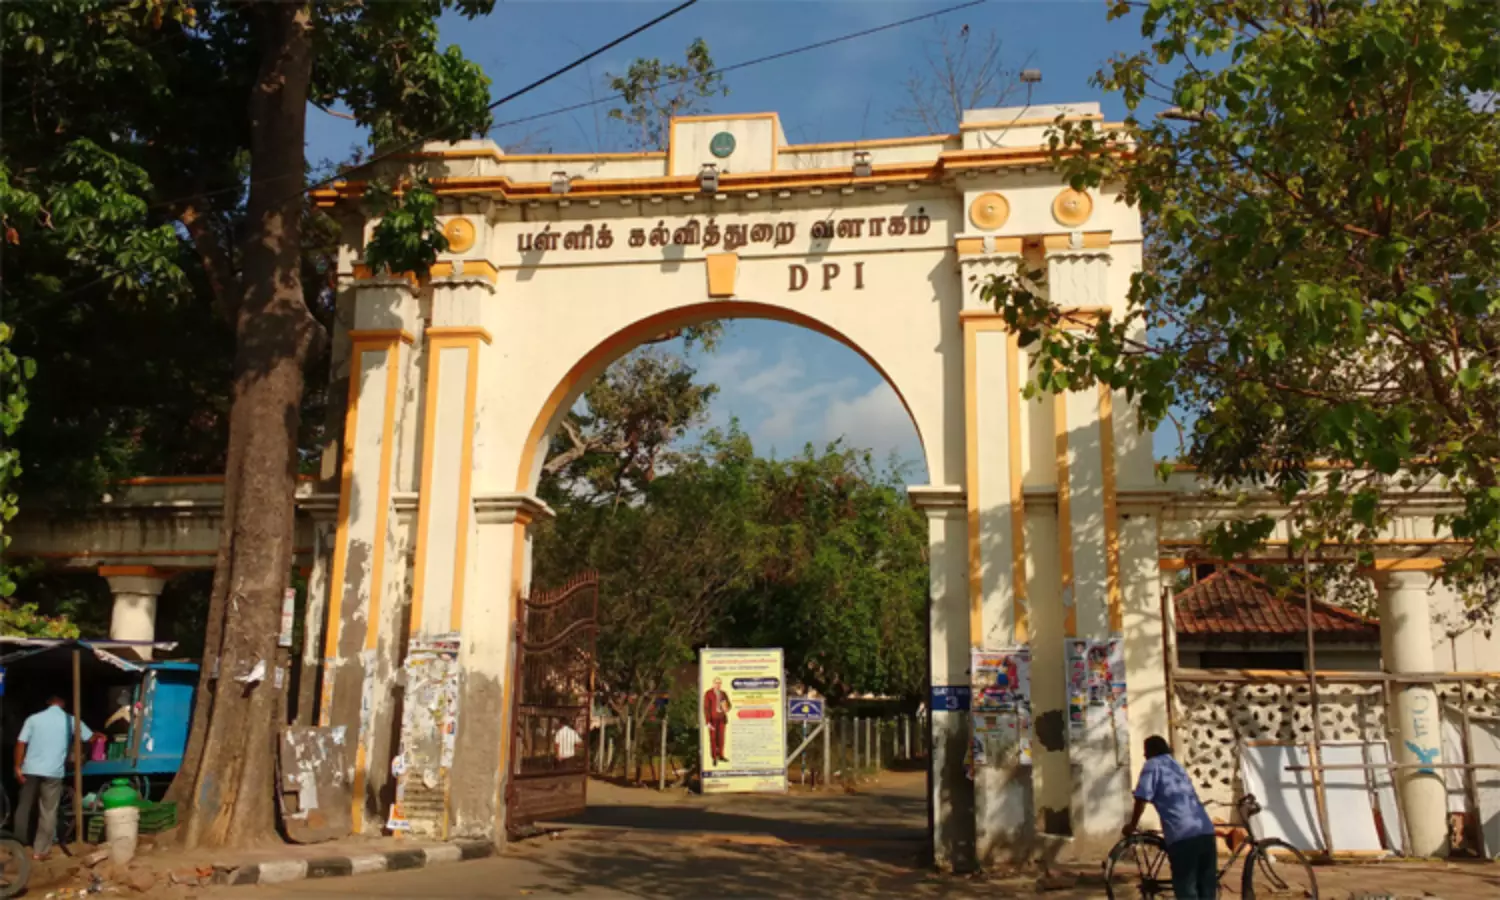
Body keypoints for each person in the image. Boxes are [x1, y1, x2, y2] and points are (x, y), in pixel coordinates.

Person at [1123, 735, 1218, 899]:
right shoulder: (1176, 765)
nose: (1144, 755)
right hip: (1206, 831)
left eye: (1146, 751)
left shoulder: (1152, 765)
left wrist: (1132, 825)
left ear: (1152, 751)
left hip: (1182, 835)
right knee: (1206, 890)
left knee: (1187, 890)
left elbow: (1141, 798)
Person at [14, 695, 95, 860]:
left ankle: (17, 847)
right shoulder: (70, 720)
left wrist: (17, 766)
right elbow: (90, 738)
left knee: (24, 807)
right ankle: (40, 851)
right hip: (53, 772)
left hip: (30, 769)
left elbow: (21, 743)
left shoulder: (33, 719)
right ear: (63, 704)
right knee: (48, 811)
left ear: (48, 703)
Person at [702, 677, 732, 766]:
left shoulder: (723, 693)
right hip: (713, 720)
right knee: (713, 739)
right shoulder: (708, 693)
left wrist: (726, 708)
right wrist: (708, 721)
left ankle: (721, 756)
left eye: (719, 683)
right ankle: (714, 757)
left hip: (722, 719)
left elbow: (729, 705)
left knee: (721, 739)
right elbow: (706, 708)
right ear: (713, 684)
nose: (718, 685)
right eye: (716, 683)